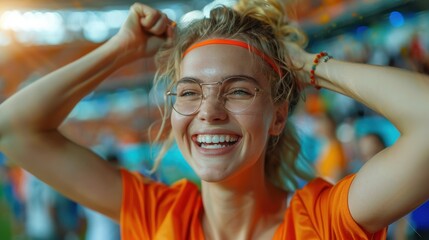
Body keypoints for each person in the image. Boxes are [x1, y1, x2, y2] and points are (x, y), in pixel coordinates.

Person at [0, 0, 429, 239]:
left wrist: (305, 63)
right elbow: (13, 128)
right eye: (189, 92)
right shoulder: (161, 218)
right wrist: (121, 49)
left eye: (239, 90)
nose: (209, 111)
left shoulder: (323, 223)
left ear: (278, 115)